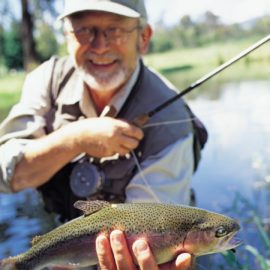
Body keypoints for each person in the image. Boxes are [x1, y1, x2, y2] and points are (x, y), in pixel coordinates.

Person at [0, 0, 207, 269]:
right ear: (66, 35)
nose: (99, 46)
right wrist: (75, 139)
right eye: (84, 30)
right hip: (56, 244)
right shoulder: (46, 80)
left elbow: (148, 236)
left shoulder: (173, 125)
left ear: (143, 38)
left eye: (115, 30)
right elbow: (6, 176)